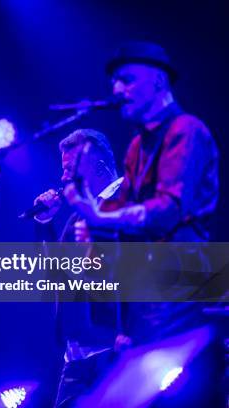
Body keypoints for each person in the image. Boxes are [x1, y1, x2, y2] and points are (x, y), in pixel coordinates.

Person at [63, 42, 222, 406]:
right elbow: (122, 207)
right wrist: (92, 222)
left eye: (126, 80)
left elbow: (167, 209)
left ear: (158, 82)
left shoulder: (186, 130)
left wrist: (98, 216)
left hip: (186, 284)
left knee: (182, 394)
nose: (116, 90)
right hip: (151, 293)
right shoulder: (137, 146)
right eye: (114, 82)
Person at [32, 129, 123, 407]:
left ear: (95, 164)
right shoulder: (78, 217)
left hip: (113, 348)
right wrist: (45, 224)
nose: (63, 178)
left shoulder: (127, 202)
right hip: (77, 356)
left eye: (69, 168)